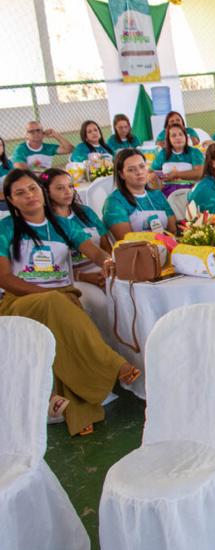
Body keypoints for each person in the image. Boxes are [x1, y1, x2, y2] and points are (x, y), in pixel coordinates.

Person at [1, 168, 142, 436]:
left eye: (32, 189)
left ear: (40, 192)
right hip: (19, 301)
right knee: (55, 303)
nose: (28, 196)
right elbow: (4, 278)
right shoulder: (5, 228)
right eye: (19, 193)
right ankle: (114, 365)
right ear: (11, 200)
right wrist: (40, 294)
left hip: (62, 297)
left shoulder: (62, 224)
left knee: (62, 335)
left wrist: (107, 262)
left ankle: (79, 414)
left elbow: (94, 251)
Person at [40, 167, 111, 335]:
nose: (68, 191)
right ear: (46, 192)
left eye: (70, 186)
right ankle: (104, 347)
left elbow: (106, 246)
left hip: (102, 269)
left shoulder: (85, 212)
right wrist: (84, 276)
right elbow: (51, 266)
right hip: (71, 278)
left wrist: (106, 268)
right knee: (99, 302)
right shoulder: (45, 223)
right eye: (60, 188)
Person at [102, 148, 176, 239]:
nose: (139, 172)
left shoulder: (158, 195)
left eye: (142, 166)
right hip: (137, 252)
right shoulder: (114, 202)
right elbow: (126, 240)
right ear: (121, 174)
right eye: (131, 170)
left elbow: (173, 230)